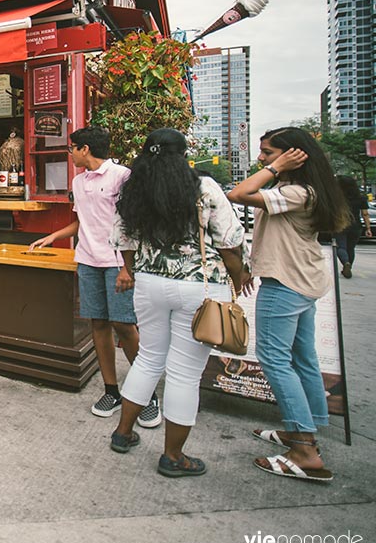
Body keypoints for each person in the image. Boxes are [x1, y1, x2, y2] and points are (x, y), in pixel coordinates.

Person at [109, 129, 248, 478]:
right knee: (185, 372)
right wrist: (238, 277)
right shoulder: (203, 187)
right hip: (198, 288)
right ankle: (173, 456)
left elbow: (122, 239)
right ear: (184, 153)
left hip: (150, 283)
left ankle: (123, 433)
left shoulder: (134, 190)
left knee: (149, 358)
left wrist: (130, 268)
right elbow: (230, 241)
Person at [227, 127, 349, 482]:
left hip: (285, 284)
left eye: (268, 152)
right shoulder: (301, 191)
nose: (262, 158)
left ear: (292, 156)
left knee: (275, 360)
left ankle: (304, 449)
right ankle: (308, 424)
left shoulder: (295, 192)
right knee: (302, 358)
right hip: (304, 281)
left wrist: (275, 166)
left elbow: (239, 193)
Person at [30, 126, 159, 427]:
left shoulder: (122, 176)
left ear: (85, 149)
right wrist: (53, 236)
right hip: (87, 261)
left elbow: (133, 223)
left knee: (125, 326)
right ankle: (111, 391)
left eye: (72, 147)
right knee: (98, 324)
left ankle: (148, 394)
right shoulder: (78, 180)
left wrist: (129, 267)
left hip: (117, 263)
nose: (70, 152)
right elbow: (81, 223)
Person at [333, 175, 370, 278]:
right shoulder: (361, 197)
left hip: (341, 224)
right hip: (356, 225)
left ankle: (345, 263)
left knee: (341, 247)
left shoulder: (337, 197)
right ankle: (349, 266)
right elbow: (365, 214)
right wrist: (368, 228)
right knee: (351, 248)